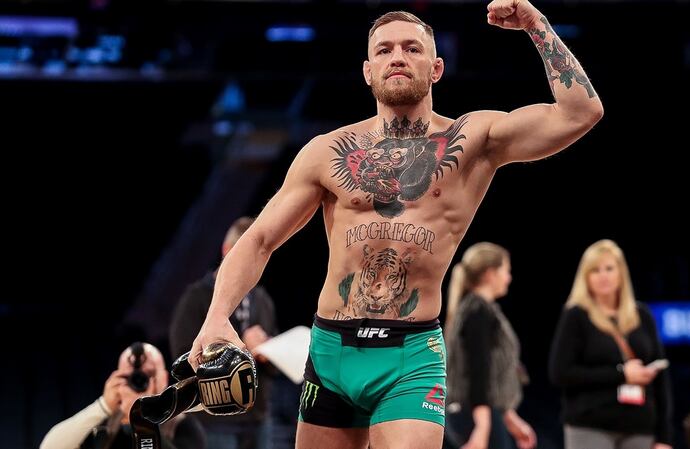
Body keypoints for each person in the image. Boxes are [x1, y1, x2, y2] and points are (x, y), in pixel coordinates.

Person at [189, 0, 603, 447]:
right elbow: (260, 239)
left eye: (411, 48)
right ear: (368, 71)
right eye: (384, 50)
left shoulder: (473, 140)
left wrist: (536, 26)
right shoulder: (328, 151)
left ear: (436, 67)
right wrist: (215, 319)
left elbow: (581, 113)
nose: (398, 57)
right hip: (332, 351)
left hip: (411, 355)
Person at [170, 216, 282, 449]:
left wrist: (267, 351)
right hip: (215, 419)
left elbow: (273, 358)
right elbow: (183, 358)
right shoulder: (197, 297)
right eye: (244, 255)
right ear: (226, 250)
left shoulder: (262, 299)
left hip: (258, 416)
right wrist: (242, 349)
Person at [548, 239, 673, 449]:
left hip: (640, 426)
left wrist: (664, 437)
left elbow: (662, 382)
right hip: (590, 425)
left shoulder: (642, 315)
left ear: (621, 273)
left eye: (609, 268)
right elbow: (560, 373)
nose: (603, 275)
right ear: (585, 277)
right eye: (595, 270)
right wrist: (621, 374)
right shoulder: (576, 316)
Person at [444, 242, 536, 449]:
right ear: (489, 274)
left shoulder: (480, 310)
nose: (509, 278)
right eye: (506, 270)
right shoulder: (477, 312)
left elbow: (492, 375)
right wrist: (483, 426)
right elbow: (479, 371)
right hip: (473, 413)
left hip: (476, 411)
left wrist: (509, 418)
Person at [40, 343, 205, 449]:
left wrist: (142, 417)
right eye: (130, 376)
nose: (138, 382)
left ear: (162, 378)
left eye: (147, 375)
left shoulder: (181, 424)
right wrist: (103, 406)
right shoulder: (105, 424)